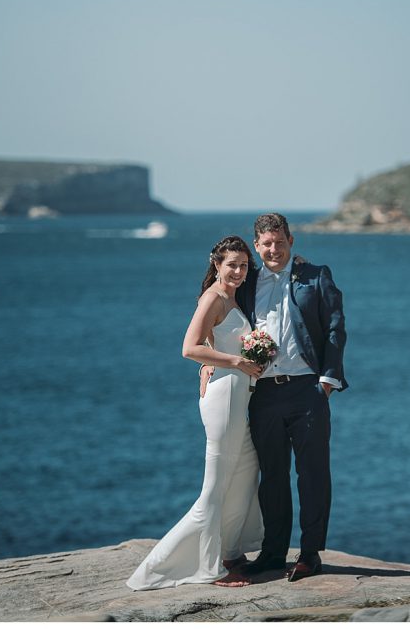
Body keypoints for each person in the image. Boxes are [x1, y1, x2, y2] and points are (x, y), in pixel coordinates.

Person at [126, 235, 264, 590]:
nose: (238, 270)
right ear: (216, 265)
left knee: (246, 472)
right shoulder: (213, 298)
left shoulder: (233, 297)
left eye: (244, 265)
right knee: (215, 486)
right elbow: (189, 348)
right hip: (224, 399)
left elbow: (210, 345)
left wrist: (230, 360)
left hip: (237, 397)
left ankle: (229, 551)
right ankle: (206, 568)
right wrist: (236, 361)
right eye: (231, 264)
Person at [226, 213, 347, 584]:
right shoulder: (246, 284)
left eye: (280, 242)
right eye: (266, 244)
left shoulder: (316, 275)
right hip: (263, 393)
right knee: (272, 476)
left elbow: (334, 328)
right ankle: (274, 552)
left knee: (312, 474)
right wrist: (209, 363)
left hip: (307, 390)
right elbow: (223, 318)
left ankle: (310, 554)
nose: (274, 249)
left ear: (291, 241)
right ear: (257, 246)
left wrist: (326, 382)